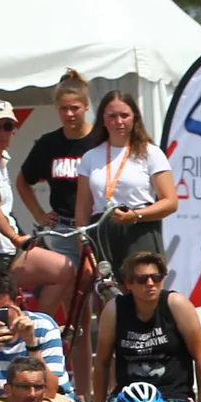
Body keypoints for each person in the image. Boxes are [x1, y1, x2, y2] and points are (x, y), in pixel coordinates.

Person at [93, 249, 201, 402]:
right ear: (128, 284)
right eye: (142, 279)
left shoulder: (177, 305)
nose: (150, 284)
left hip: (172, 396)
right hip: (127, 396)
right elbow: (102, 362)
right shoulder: (114, 310)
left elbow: (200, 357)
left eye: (156, 277)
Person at [13, 70, 100, 320]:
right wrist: (40, 214)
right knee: (75, 308)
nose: (69, 114)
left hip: (96, 227)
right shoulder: (48, 144)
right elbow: (22, 181)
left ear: (86, 106)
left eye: (75, 108)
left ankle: (108, 359)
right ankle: (51, 347)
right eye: (63, 109)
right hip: (63, 230)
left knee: (105, 296)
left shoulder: (99, 141)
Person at [75, 90, 176, 274]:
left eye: (124, 115)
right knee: (106, 294)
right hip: (102, 231)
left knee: (144, 290)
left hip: (140, 230)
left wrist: (135, 215)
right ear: (103, 119)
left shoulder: (151, 153)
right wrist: (85, 250)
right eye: (112, 116)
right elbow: (82, 208)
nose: (118, 122)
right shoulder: (90, 157)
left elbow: (170, 202)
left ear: (134, 118)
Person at [0, 269, 72, 402]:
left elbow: (49, 391)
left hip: (48, 399)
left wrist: (31, 344)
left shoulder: (43, 326)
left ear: (18, 301)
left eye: (1, 310)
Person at [0, 98, 33, 275]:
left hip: (9, 247)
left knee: (61, 271)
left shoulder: (2, 158)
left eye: (8, 126)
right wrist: (15, 237)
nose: (2, 132)